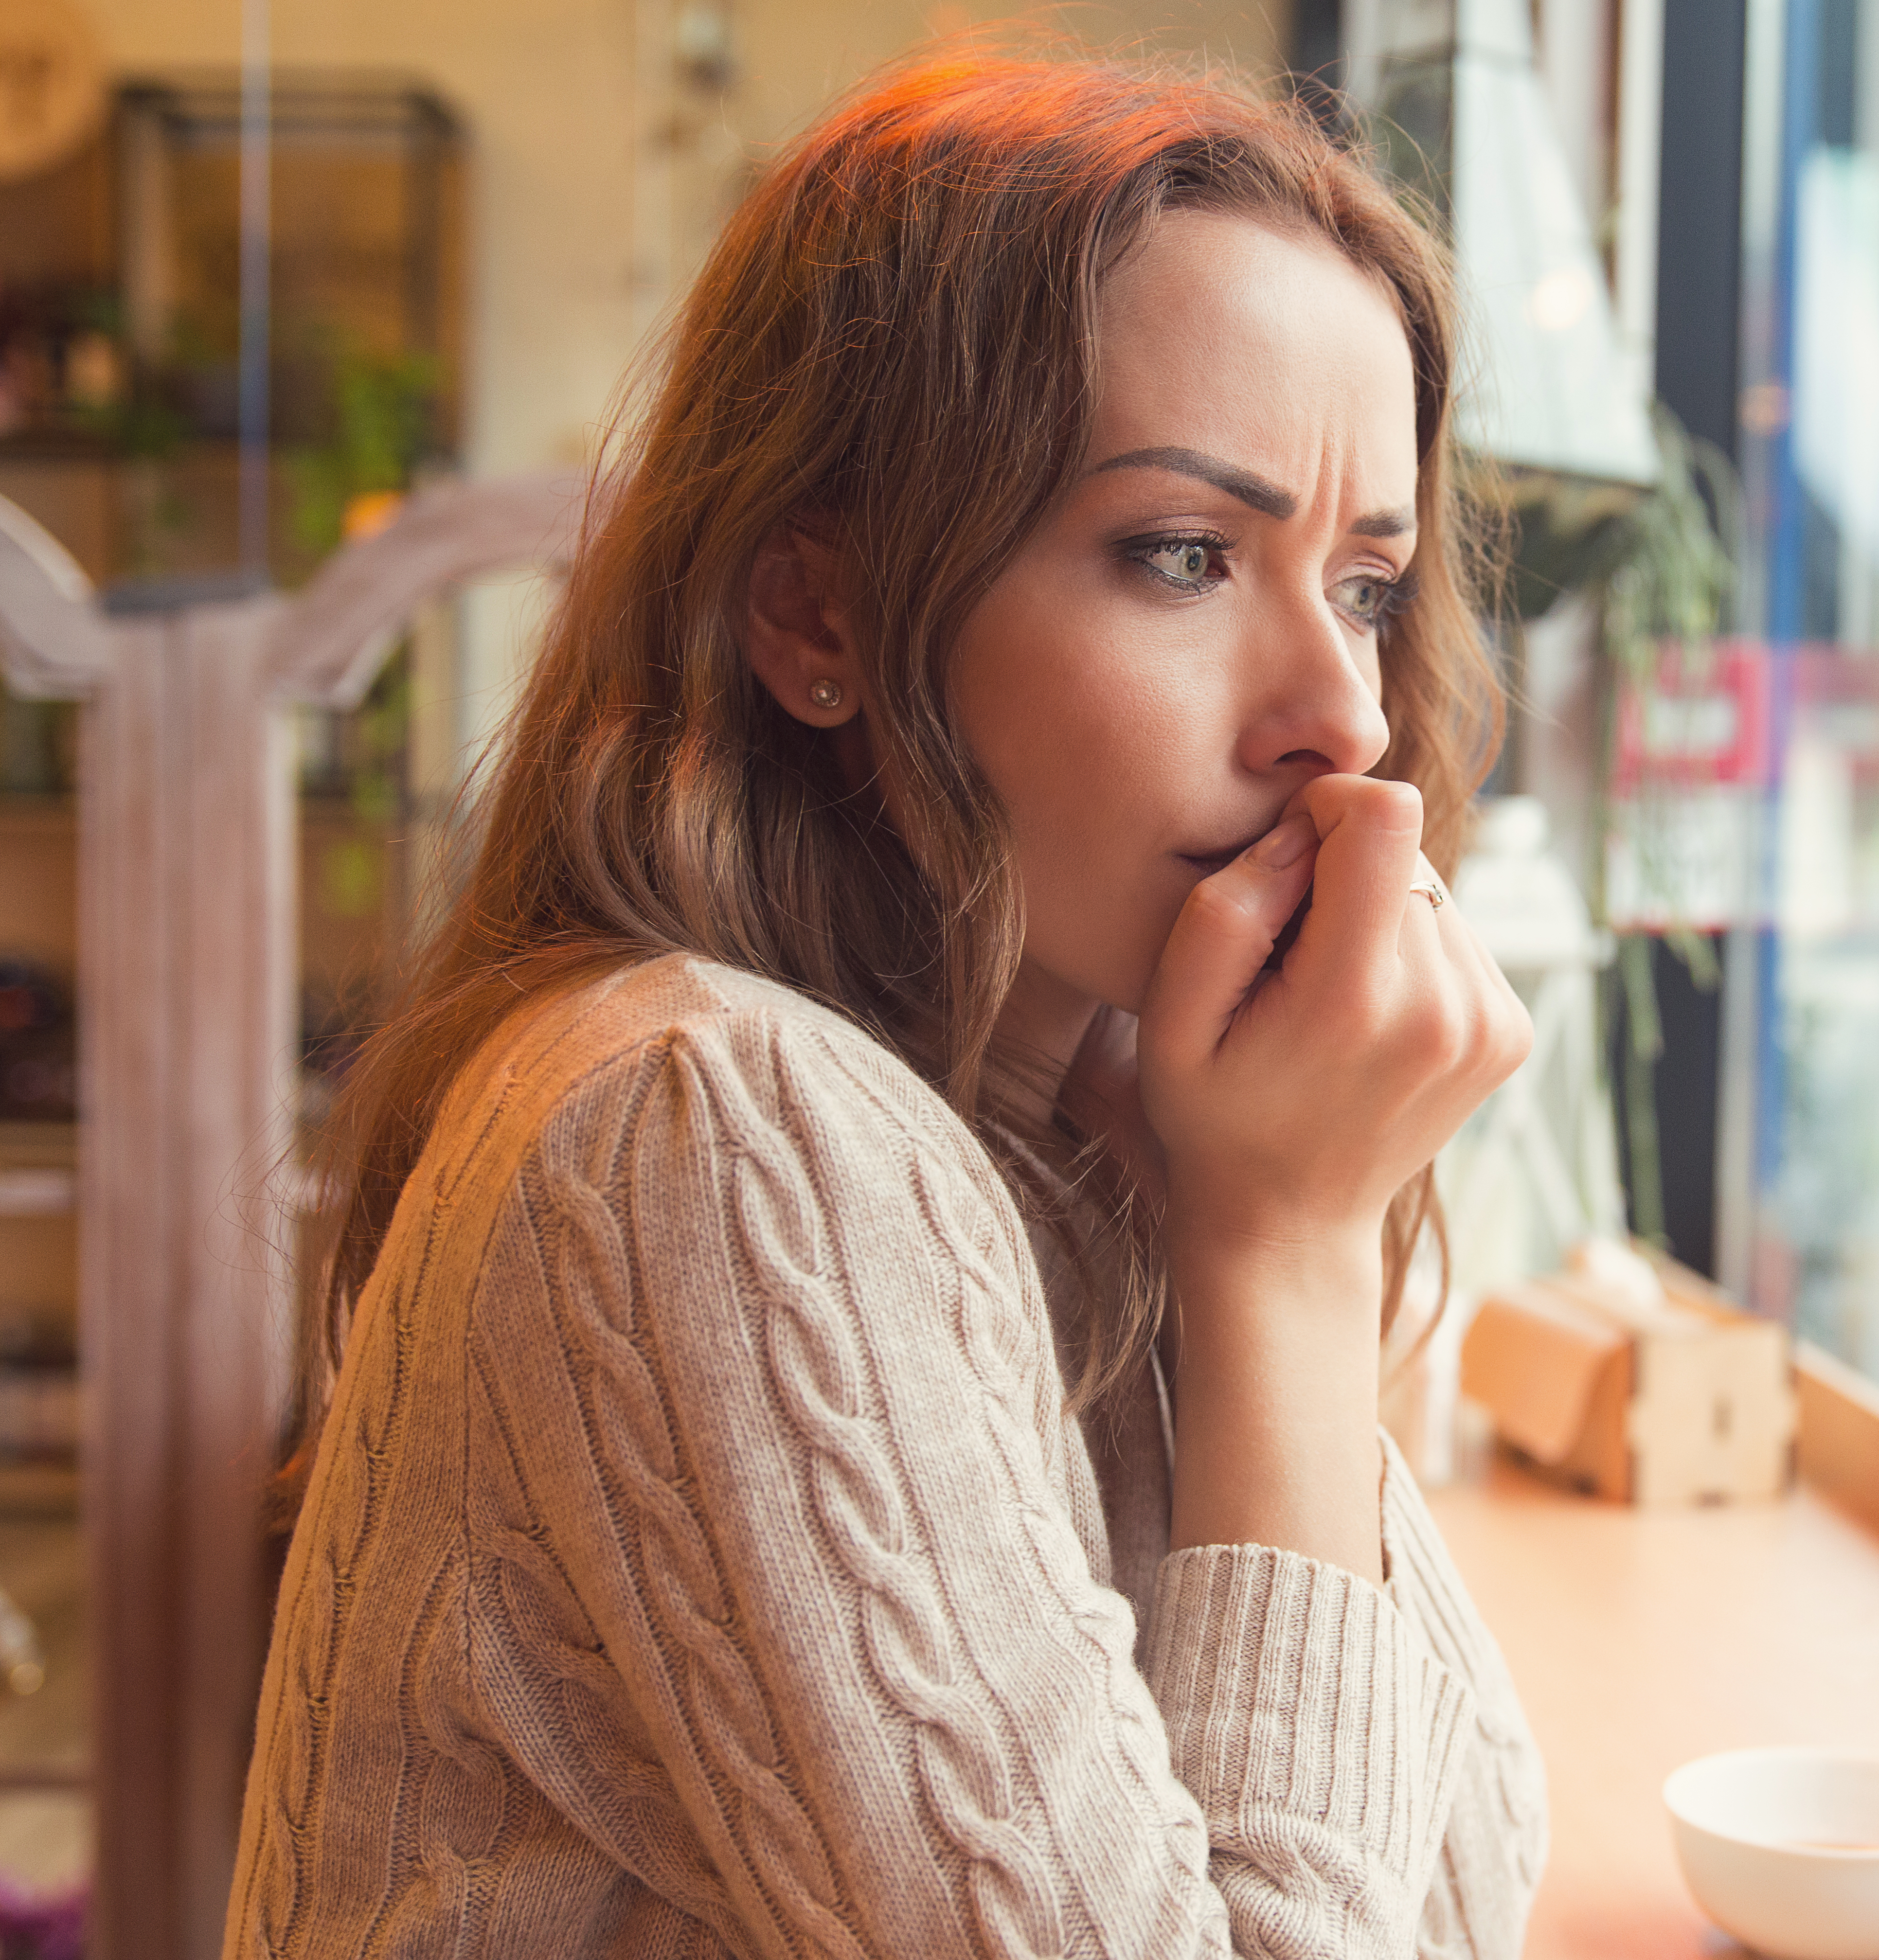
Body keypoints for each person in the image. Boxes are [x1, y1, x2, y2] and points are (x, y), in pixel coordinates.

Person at [225, 46, 1548, 1960]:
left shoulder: (1087, 1109)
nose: (1343, 716)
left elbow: (1444, 1893)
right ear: (818, 617)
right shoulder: (707, 1120)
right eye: (1183, 555)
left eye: (1362, 585)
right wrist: (1292, 1255)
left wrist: (1245, 1231)